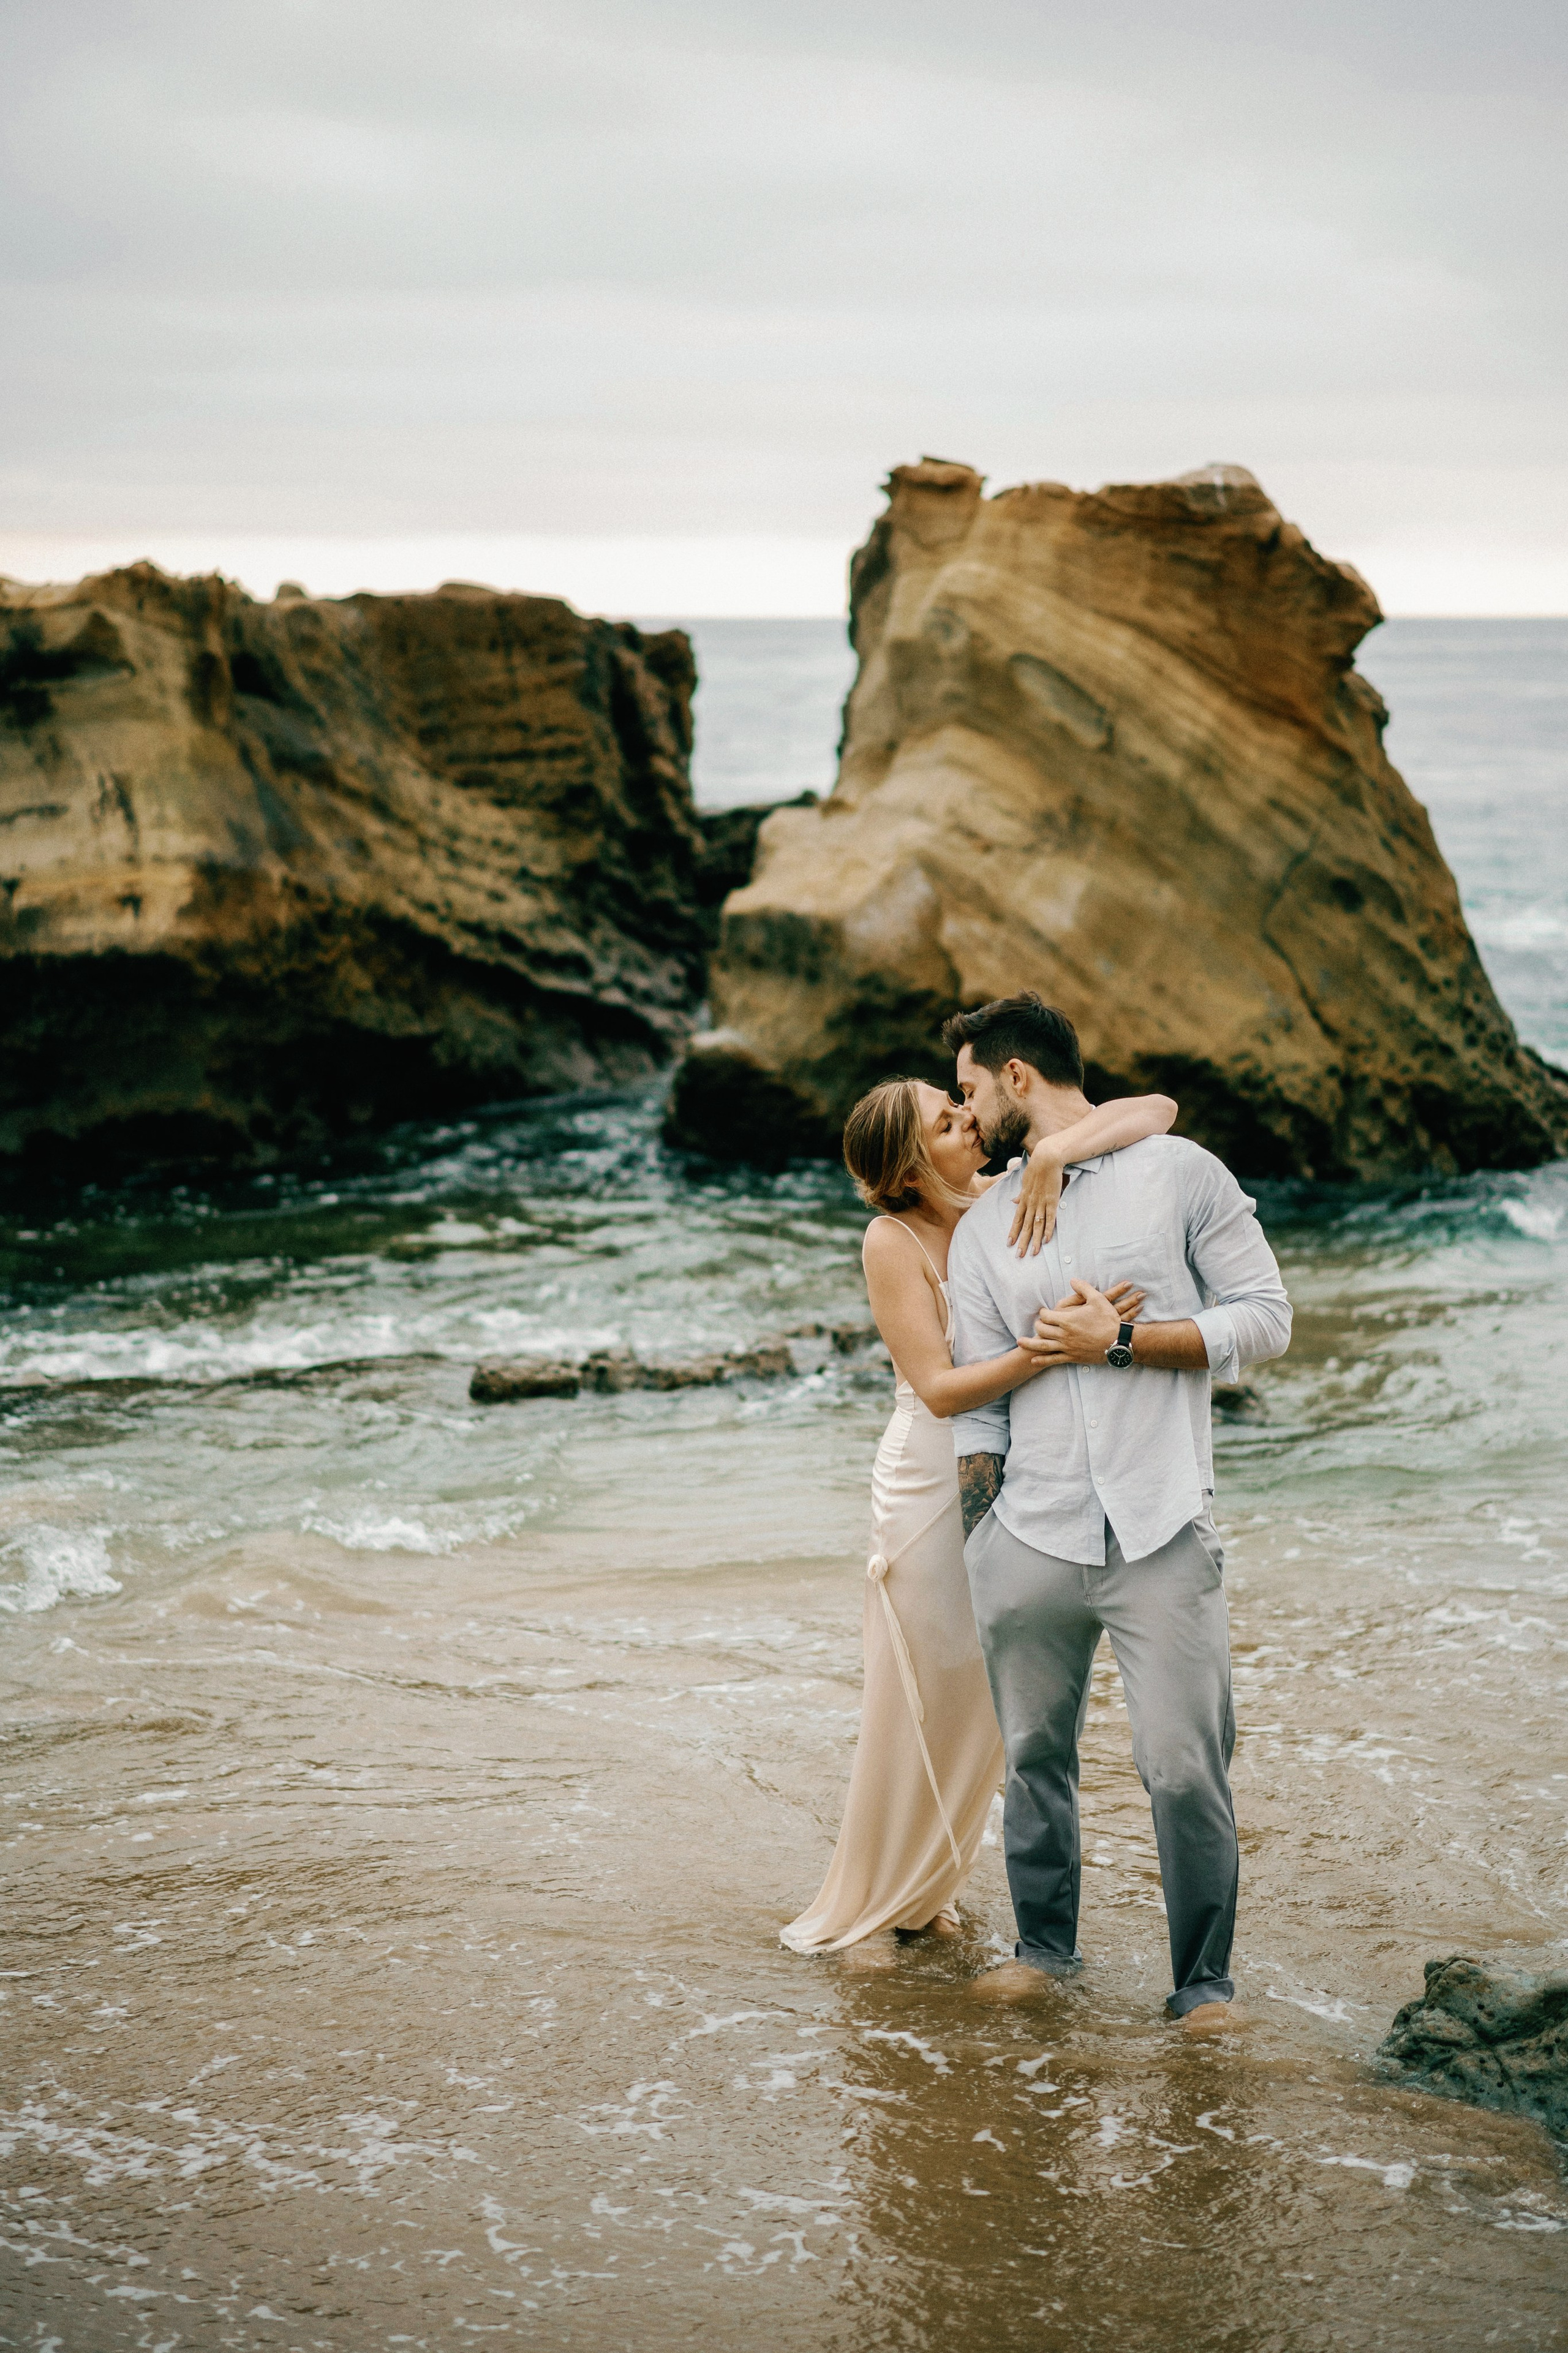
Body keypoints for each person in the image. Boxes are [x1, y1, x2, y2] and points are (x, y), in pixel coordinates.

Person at [943, 992, 1292, 2033]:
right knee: (1033, 1761)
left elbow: (1267, 1318)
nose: (965, 1117)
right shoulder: (979, 1229)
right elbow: (980, 1402)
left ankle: (1203, 1986)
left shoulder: (1180, 1174)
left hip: (1160, 1526)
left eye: (968, 1090)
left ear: (1017, 1078)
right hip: (1030, 1532)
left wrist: (1127, 1343)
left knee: (1186, 1764)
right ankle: (1044, 1951)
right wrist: (983, 1544)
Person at [780, 1072, 1178, 1968]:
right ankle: (875, 1906)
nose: (969, 1121)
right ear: (910, 1163)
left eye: (959, 1105)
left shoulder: (1006, 1195)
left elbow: (1156, 1112)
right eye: (946, 1120)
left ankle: (930, 1891)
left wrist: (1058, 1152)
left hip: (1011, 1479)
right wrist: (1057, 1345)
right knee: (919, 1690)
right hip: (927, 1482)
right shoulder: (894, 1238)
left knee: (987, 1700)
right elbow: (939, 1386)